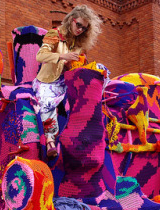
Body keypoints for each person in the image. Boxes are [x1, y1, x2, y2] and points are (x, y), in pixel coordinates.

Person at [33, 4, 102, 158]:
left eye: (84, 28)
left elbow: (79, 66)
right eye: (78, 25)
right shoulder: (54, 33)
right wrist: (63, 57)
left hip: (67, 82)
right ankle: (50, 139)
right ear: (71, 19)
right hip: (47, 81)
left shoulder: (79, 45)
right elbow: (40, 55)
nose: (80, 30)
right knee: (47, 101)